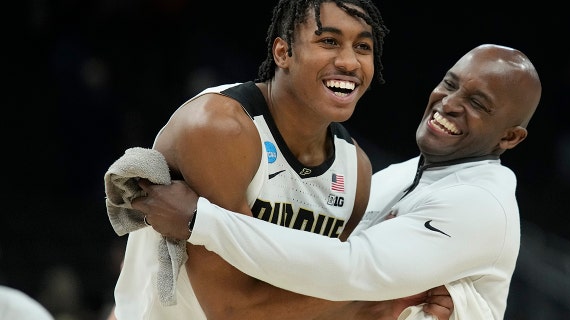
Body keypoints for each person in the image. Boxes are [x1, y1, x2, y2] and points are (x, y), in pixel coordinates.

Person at [133, 43, 542, 319]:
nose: (449, 103)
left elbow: (350, 268)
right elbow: (335, 274)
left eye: (477, 103)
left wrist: (198, 221)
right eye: (450, 84)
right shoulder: (397, 176)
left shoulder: (481, 205)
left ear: (510, 137)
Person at [110, 0, 452, 319]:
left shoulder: (356, 170)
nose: (349, 61)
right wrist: (380, 288)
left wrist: (379, 296)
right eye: (329, 41)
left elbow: (313, 293)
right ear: (283, 52)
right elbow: (231, 308)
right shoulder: (220, 127)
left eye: (362, 47)